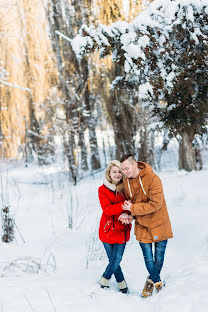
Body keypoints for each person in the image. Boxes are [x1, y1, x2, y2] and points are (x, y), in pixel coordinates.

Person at [120, 154, 173, 298]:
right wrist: (129, 214)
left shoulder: (153, 178)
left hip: (159, 223)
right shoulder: (126, 182)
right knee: (149, 260)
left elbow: (156, 204)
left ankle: (151, 283)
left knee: (159, 259)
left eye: (127, 168)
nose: (125, 172)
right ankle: (158, 283)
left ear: (135, 165)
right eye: (123, 169)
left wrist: (133, 209)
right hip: (142, 225)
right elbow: (130, 204)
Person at [98, 160, 132, 293]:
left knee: (116, 259)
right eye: (114, 172)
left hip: (122, 230)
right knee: (113, 260)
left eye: (119, 171)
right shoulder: (102, 190)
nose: (117, 174)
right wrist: (124, 206)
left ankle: (105, 278)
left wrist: (128, 212)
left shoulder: (128, 188)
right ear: (109, 173)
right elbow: (107, 209)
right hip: (107, 230)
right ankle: (122, 283)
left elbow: (132, 207)